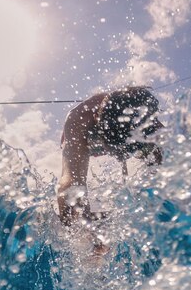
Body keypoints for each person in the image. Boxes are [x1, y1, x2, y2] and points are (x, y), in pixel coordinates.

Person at [57, 86, 163, 226]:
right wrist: (85, 232)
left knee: (161, 158)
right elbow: (69, 186)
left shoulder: (146, 117)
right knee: (73, 192)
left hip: (129, 130)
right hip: (85, 138)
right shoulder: (78, 120)